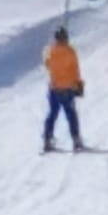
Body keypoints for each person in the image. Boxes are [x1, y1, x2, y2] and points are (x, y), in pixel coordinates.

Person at [42, 26, 83, 154]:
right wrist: (78, 84)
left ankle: (47, 139)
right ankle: (76, 139)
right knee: (71, 114)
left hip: (54, 89)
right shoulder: (70, 51)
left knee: (52, 114)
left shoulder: (51, 51)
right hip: (67, 89)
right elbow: (75, 69)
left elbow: (47, 64)